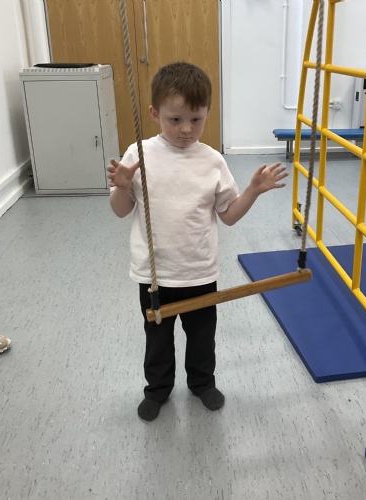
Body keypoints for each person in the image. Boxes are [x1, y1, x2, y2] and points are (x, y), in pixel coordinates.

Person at [107, 61, 287, 422]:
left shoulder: (212, 161)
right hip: (154, 275)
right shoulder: (138, 155)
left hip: (199, 272)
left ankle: (202, 383)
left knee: (203, 337)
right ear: (155, 114)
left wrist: (252, 191)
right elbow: (120, 210)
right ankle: (157, 389)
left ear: (207, 113)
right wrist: (122, 187)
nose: (186, 129)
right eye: (175, 119)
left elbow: (228, 215)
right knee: (158, 339)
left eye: (196, 119)